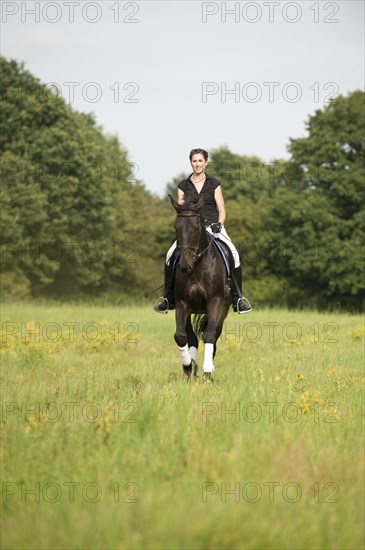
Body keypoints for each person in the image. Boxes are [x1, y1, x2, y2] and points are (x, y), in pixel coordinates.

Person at [154, 148, 252, 314]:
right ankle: (167, 297)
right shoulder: (183, 185)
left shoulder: (214, 184)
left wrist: (219, 224)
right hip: (191, 230)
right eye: (194, 161)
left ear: (206, 163)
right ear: (191, 162)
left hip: (213, 227)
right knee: (170, 255)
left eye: (200, 161)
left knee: (234, 253)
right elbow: (181, 210)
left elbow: (222, 210)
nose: (197, 164)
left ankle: (238, 298)